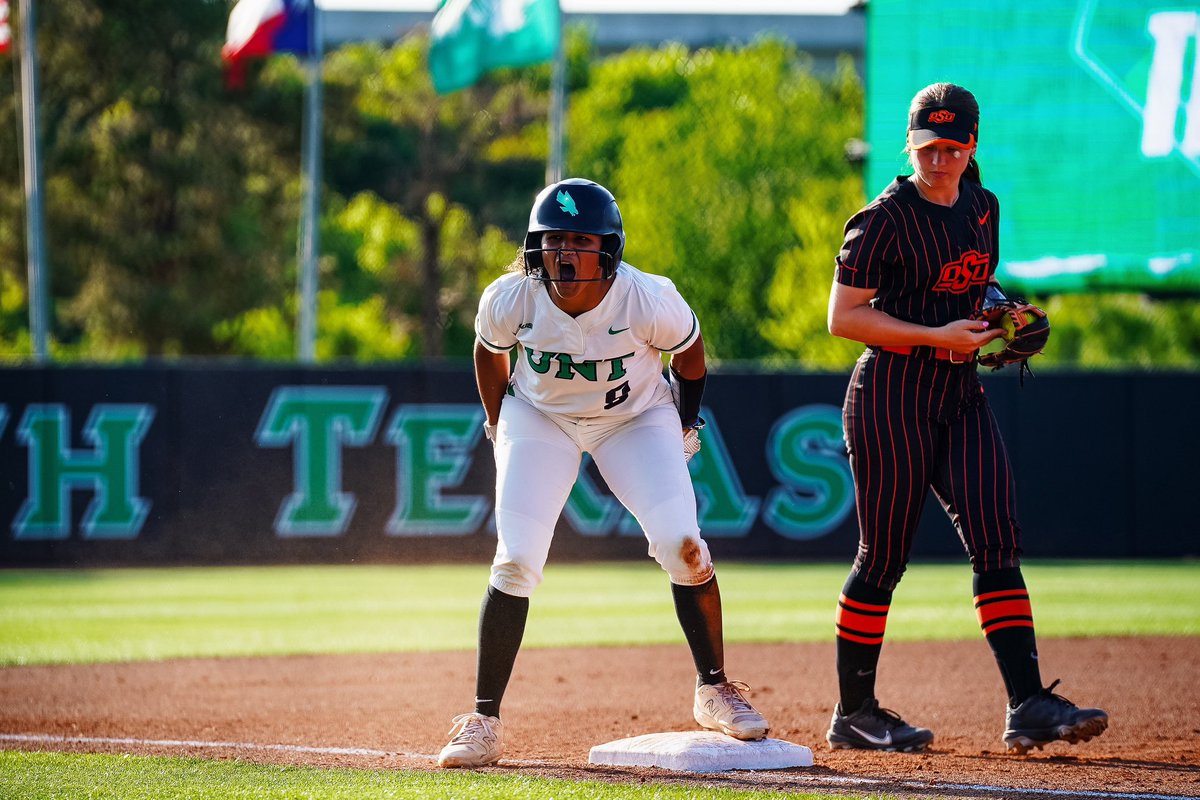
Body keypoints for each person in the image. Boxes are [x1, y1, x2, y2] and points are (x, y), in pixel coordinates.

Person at [437, 178, 770, 768]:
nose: (565, 253)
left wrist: (685, 424)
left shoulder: (647, 297)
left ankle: (714, 688)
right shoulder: (511, 296)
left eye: (581, 240)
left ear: (609, 248)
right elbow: (489, 354)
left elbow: (689, 355)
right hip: (540, 417)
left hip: (634, 417)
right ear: (536, 246)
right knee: (515, 559)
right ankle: (483, 719)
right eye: (554, 239)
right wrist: (498, 423)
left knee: (683, 544)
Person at [824, 83, 1108, 754]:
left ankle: (1028, 704)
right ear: (910, 143)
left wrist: (1005, 310)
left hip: (956, 393)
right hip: (891, 395)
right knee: (883, 557)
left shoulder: (983, 207)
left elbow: (975, 282)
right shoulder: (883, 219)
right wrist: (940, 337)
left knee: (996, 537)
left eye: (952, 146)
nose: (939, 158)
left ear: (972, 143)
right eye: (928, 146)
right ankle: (855, 713)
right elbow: (843, 318)